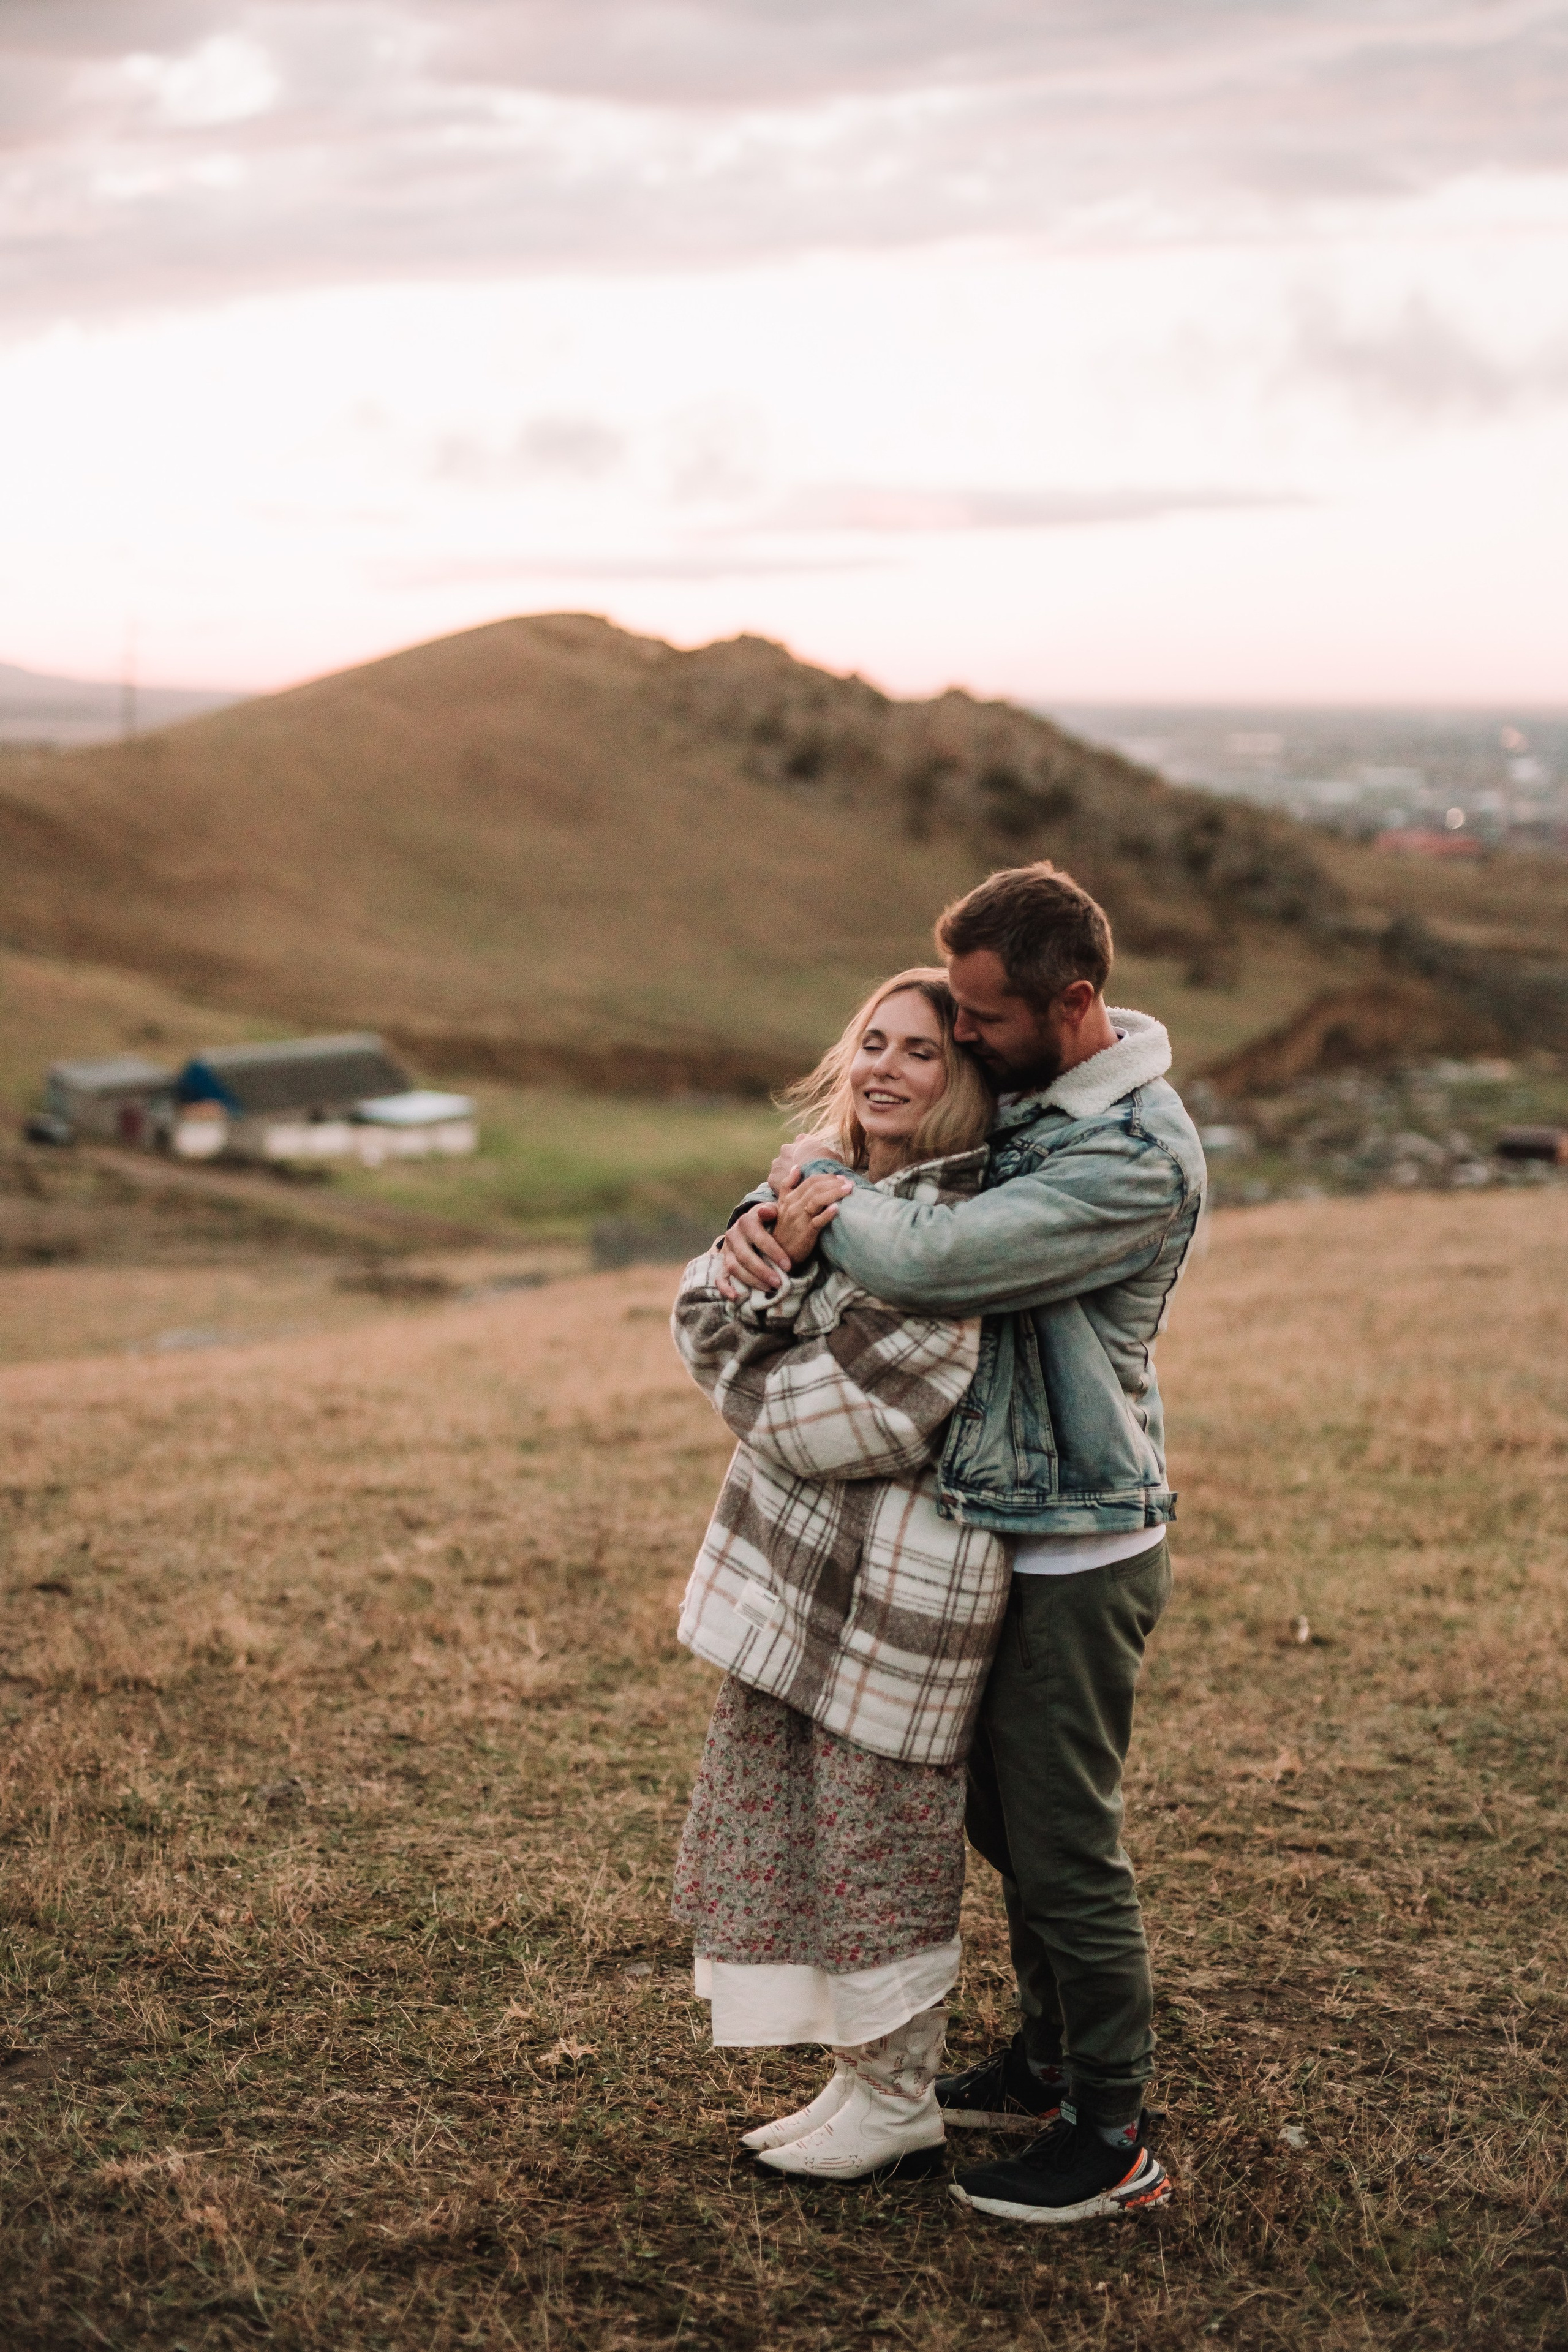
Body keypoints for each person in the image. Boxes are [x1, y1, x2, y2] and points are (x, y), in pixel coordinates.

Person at [719, 862, 1205, 2227]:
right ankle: (1046, 2063)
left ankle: (1109, 2134)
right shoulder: (1041, 1086)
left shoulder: (1133, 1154)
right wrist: (771, 1213)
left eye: (983, 1018)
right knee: (1001, 1826)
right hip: (993, 1533)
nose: (964, 1036)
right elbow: (907, 1168)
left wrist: (818, 1177)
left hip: (1076, 1546)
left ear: (1073, 1001)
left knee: (1064, 1848)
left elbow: (931, 1259)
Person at [670, 970, 1015, 2183]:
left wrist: (754, 1321)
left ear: (964, 1082)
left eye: (922, 1053)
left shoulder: (958, 1231)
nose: (885, 1068)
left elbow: (840, 1420)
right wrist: (764, 1257)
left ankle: (901, 2099)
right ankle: (859, 2079)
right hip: (805, 1573)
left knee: (879, 1846)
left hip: (903, 1592)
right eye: (873, 1041)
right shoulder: (820, 1194)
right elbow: (701, 1301)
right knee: (801, 1828)